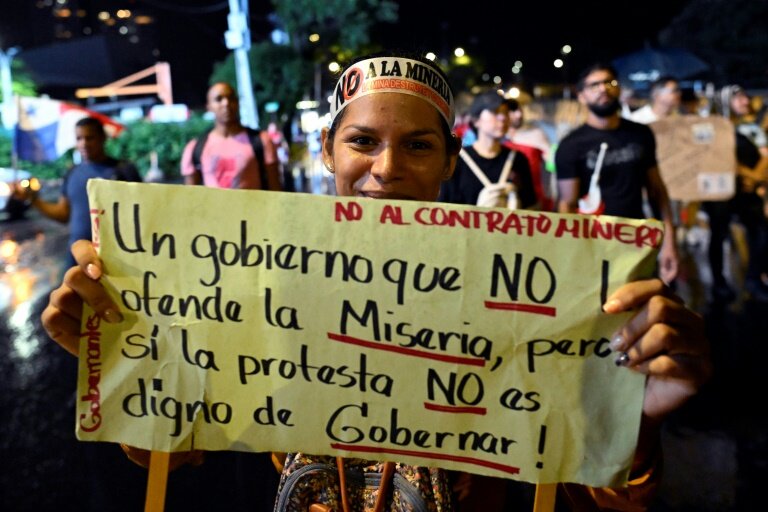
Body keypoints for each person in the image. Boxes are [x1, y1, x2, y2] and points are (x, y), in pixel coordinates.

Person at [41, 52, 711, 511]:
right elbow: (169, 447)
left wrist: (633, 419)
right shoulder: (263, 279)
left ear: (449, 160)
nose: (386, 168)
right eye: (362, 141)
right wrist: (126, 361)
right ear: (328, 150)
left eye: (418, 146)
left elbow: (605, 491)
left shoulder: (523, 298)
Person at [555, 63, 680, 284]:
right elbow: (567, 204)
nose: (603, 89)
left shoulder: (640, 134)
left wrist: (669, 242)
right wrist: (569, 253)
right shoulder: (570, 146)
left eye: (609, 82)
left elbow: (656, 191)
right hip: (594, 245)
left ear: (619, 89)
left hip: (637, 241)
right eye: (594, 85)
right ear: (582, 96)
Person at [13, 116, 142, 268]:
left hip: (115, 257)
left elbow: (141, 213)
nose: (84, 143)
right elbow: (63, 214)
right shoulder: (72, 173)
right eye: (79, 138)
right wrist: (33, 199)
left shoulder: (123, 170)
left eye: (89, 138)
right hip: (77, 256)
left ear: (102, 138)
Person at [440, 90, 538, 210]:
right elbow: (444, 210)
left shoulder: (518, 159)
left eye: (506, 112)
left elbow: (530, 207)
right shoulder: (456, 160)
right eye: (495, 112)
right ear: (476, 120)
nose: (503, 117)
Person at [180, 82, 282, 190]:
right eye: (219, 99)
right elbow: (190, 198)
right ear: (209, 107)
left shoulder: (262, 141)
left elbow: (275, 189)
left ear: (237, 103)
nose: (226, 103)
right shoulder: (194, 148)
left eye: (231, 98)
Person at [721, 85, 768, 300]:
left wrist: (756, 177)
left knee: (759, 235)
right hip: (733, 192)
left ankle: (753, 278)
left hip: (754, 190)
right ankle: (743, 281)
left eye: (745, 97)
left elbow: (765, 155)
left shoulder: (752, 125)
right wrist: (750, 176)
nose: (744, 101)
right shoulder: (723, 127)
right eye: (738, 98)